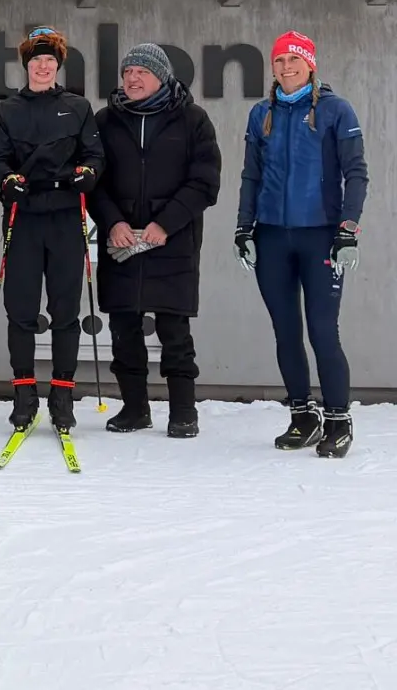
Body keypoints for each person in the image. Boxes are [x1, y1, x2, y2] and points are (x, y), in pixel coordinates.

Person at [236, 31, 367, 458]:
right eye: (279, 61)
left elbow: (357, 173)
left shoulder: (335, 110)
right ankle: (302, 416)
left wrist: (348, 229)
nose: (286, 67)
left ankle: (338, 420)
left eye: (294, 60)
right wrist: (244, 228)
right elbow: (251, 176)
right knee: (286, 332)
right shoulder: (261, 114)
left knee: (323, 331)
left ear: (310, 64)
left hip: (321, 236)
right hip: (272, 236)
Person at [90, 44, 221, 438]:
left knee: (174, 331)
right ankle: (134, 409)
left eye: (141, 72)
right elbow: (93, 181)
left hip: (172, 242)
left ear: (161, 77)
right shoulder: (105, 121)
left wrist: (166, 223)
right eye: (127, 71)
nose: (132, 78)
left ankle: (183, 412)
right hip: (123, 243)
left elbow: (205, 181)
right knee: (123, 330)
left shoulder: (193, 119)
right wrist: (111, 221)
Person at [0, 27, 105, 432]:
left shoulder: (77, 106)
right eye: (36, 60)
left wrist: (89, 172)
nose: (42, 66)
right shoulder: (7, 110)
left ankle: (62, 395)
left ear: (58, 65)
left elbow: (94, 153)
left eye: (49, 60)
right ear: (27, 66)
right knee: (20, 310)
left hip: (65, 216)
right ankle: (23, 394)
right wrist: (6, 180)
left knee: (65, 311)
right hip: (23, 216)